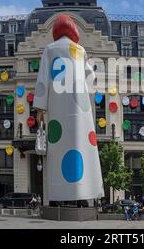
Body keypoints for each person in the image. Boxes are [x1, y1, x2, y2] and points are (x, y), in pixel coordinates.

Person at [33, 14, 104, 203]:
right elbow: (91, 79)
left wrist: (40, 108)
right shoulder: (80, 50)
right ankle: (82, 197)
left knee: (58, 152)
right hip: (79, 110)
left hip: (57, 109)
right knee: (81, 146)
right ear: (73, 29)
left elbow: (42, 81)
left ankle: (59, 199)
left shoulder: (50, 49)